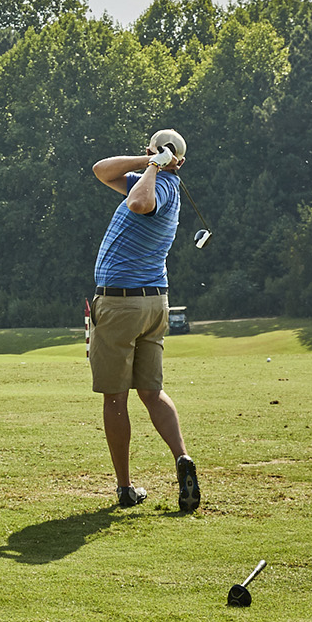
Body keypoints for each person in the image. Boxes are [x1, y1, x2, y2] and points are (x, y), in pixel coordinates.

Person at [89, 128, 200, 512]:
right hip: (153, 303)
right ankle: (182, 458)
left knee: (115, 397)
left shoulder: (161, 187)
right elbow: (101, 170)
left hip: (122, 304)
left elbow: (138, 204)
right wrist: (149, 160)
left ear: (174, 163)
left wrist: (153, 166)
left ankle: (125, 488)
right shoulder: (149, 177)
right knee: (151, 392)